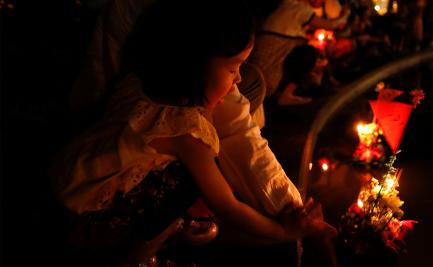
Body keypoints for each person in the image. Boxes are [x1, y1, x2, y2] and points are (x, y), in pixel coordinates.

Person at [49, 0, 336, 266]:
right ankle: (139, 254)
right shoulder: (186, 135)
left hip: (60, 187)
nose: (237, 79)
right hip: (81, 226)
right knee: (192, 177)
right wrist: (284, 232)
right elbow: (227, 206)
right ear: (194, 64)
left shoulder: (137, 82)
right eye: (233, 67)